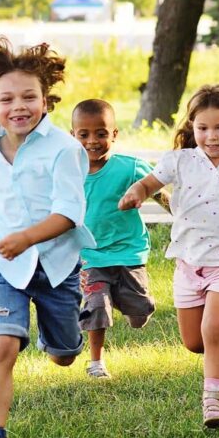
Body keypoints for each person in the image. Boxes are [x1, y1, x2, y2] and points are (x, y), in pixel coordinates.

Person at [0, 38, 95, 438]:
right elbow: (2, 179)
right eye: (7, 98)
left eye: (29, 97)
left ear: (46, 99)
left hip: (55, 264)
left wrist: (26, 238)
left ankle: (59, 338)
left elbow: (69, 215)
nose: (19, 106)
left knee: (65, 354)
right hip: (6, 265)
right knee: (1, 346)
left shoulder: (65, 149)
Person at [120, 84, 219, 428]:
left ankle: (214, 403)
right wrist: (136, 192)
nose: (211, 136)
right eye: (202, 128)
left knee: (212, 326)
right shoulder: (180, 161)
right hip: (189, 264)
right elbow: (149, 184)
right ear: (192, 127)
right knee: (195, 342)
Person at [70, 98, 166, 379]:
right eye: (83, 134)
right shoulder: (67, 173)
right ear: (72, 136)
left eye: (101, 133)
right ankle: (96, 362)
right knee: (96, 305)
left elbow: (159, 192)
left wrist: (182, 216)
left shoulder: (130, 167)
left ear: (114, 134)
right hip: (91, 256)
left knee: (139, 315)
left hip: (128, 252)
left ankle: (128, 303)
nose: (92, 141)